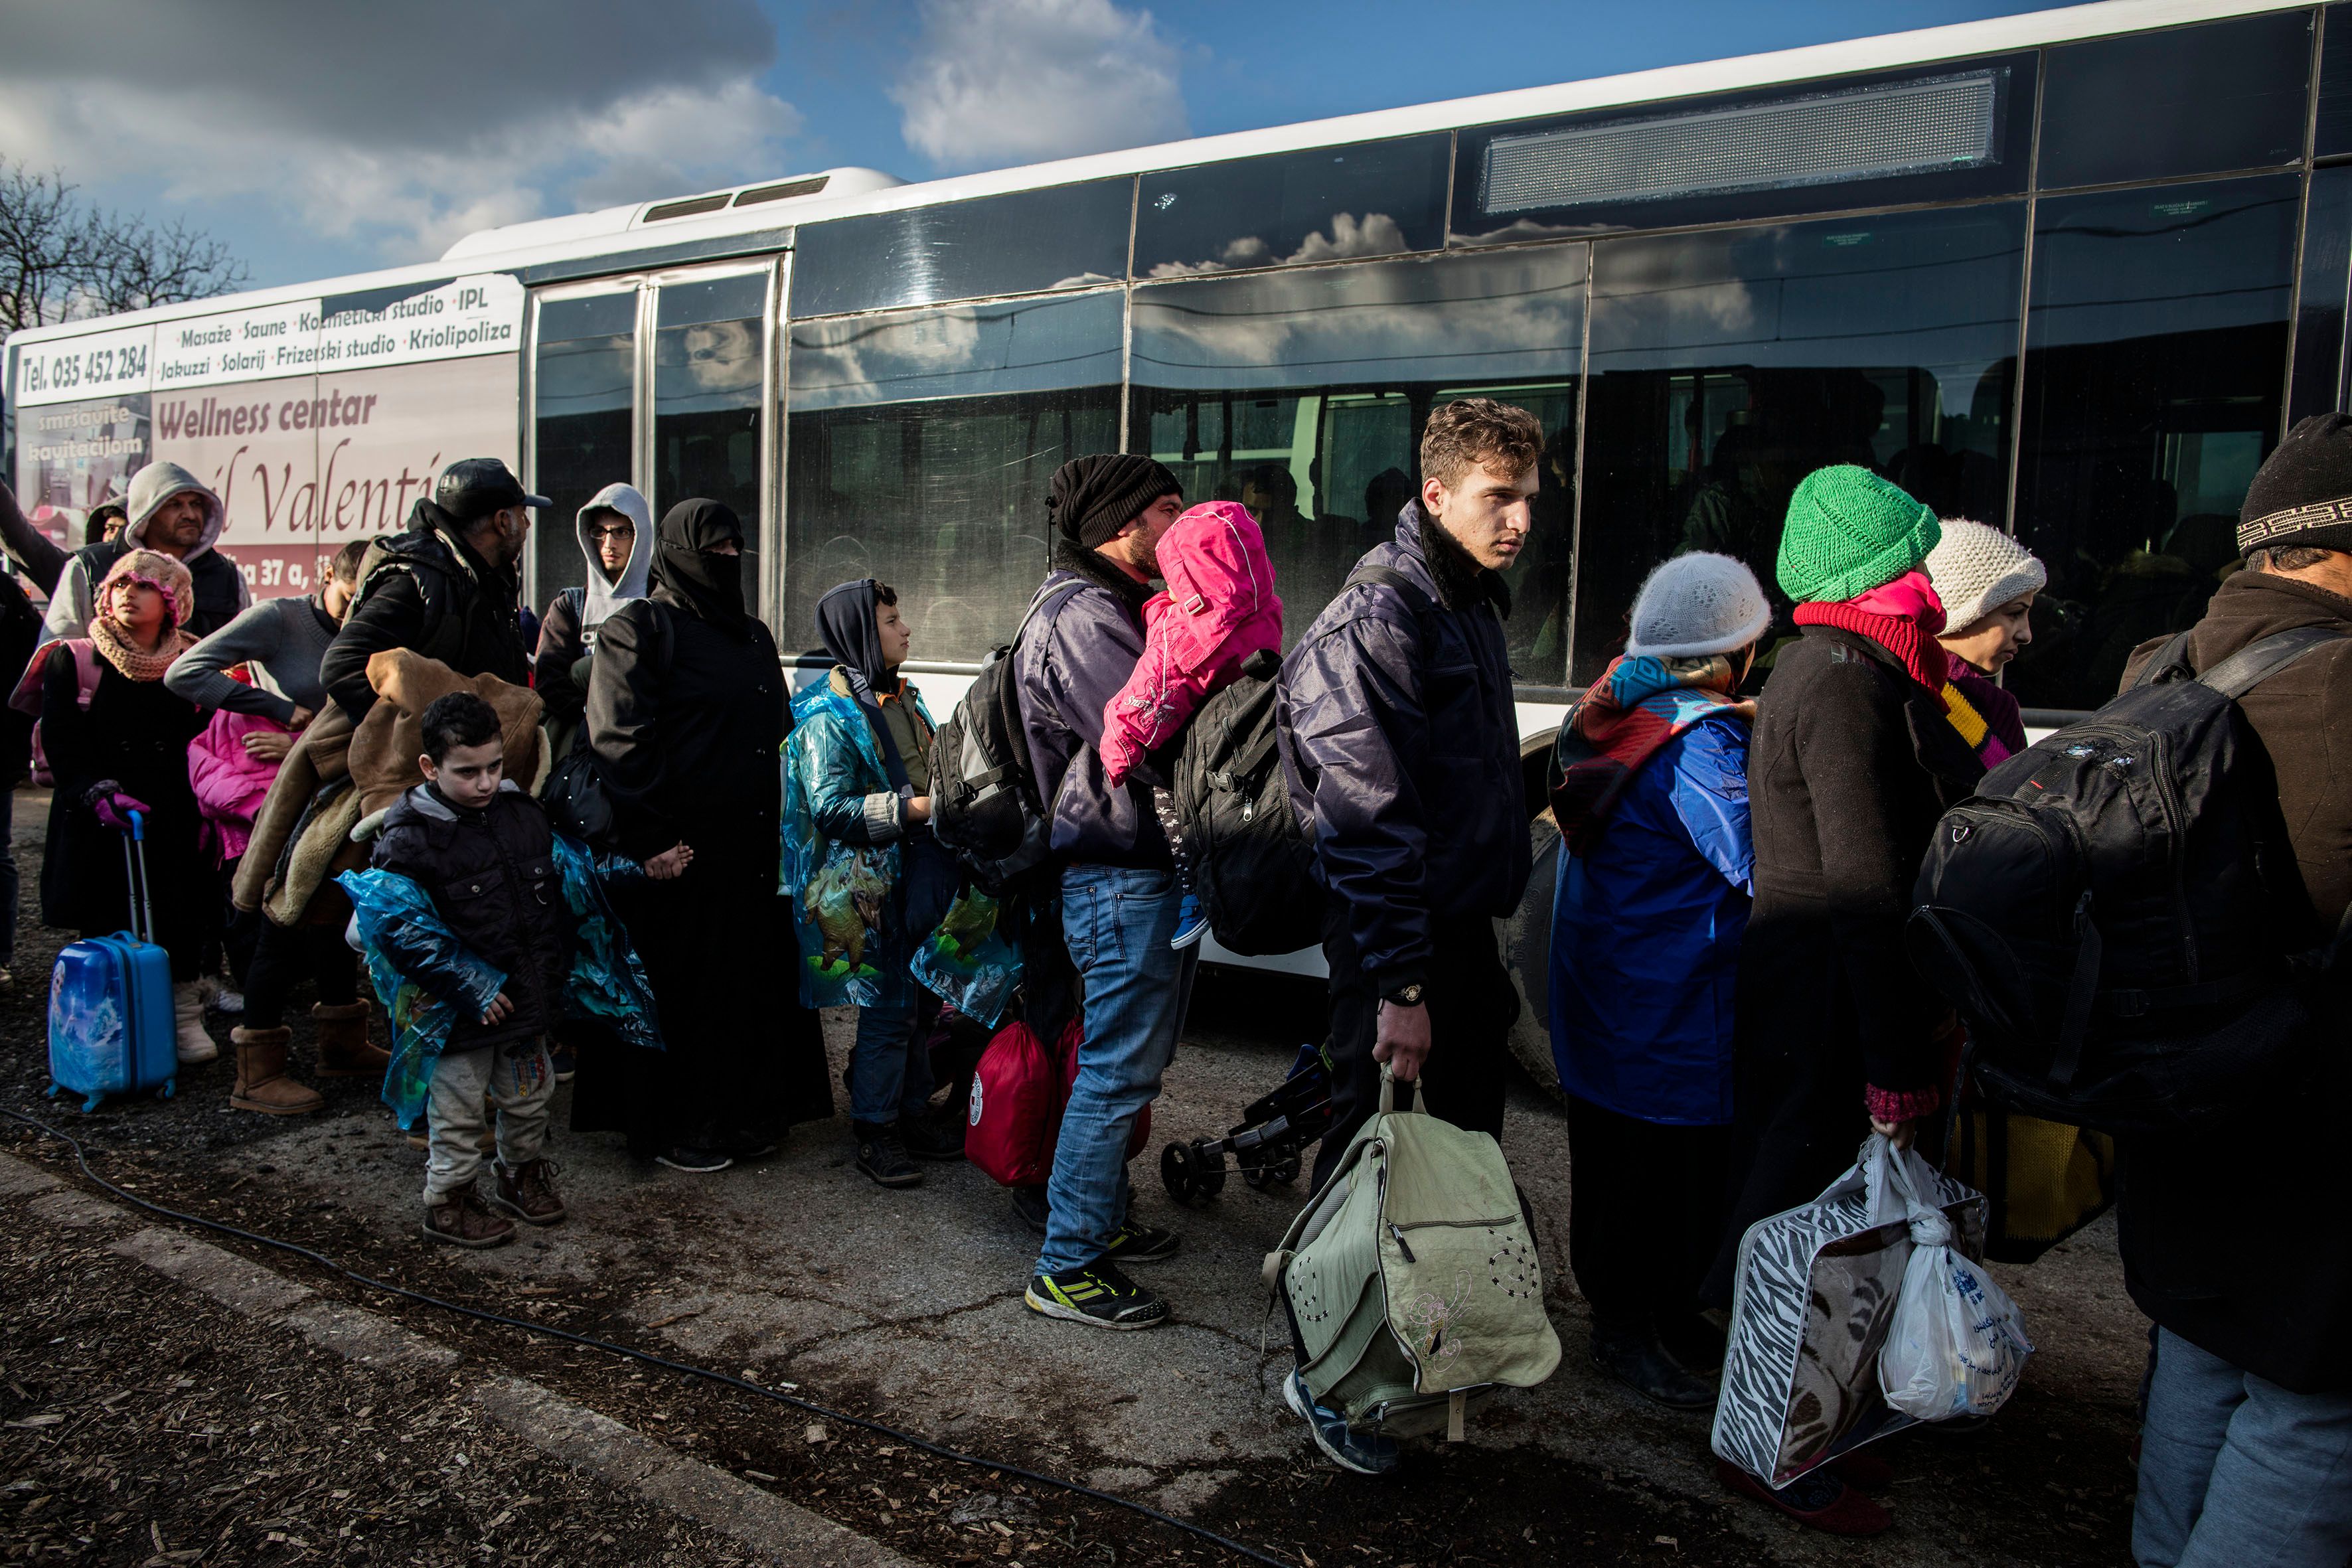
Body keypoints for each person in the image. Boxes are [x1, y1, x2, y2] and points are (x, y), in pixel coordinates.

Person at [1703, 466, 1983, 1535]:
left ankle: (1788, 1425)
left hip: (1809, 981)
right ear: (1875, 575)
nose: (1927, 580)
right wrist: (1894, 1058)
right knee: (1800, 1232)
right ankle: (1765, 1450)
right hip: (1824, 992)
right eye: (1911, 560)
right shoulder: (1840, 680)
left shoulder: (1835, 665)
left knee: (1801, 1216)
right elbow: (1864, 886)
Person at [1274, 398, 1539, 1473]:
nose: (1519, 518)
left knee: (1463, 1146)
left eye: (1527, 497)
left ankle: (1433, 1340)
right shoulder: (1382, 613)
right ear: (1433, 495)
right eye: (1497, 497)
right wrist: (1399, 983)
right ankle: (1327, 1370)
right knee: (1363, 1150)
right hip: (1397, 939)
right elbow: (1361, 814)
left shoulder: (1462, 595)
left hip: (1453, 929)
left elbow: (1448, 781)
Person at [2116, 414, 2352, 1568]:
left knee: (2200, 1350)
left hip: (2172, 1092)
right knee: (2313, 1398)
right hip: (2305, 1106)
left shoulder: (2158, 662)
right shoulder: (2343, 681)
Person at [1548, 552, 1767, 1413]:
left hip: (1608, 976)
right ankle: (1630, 1328)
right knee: (1659, 1168)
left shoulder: (1615, 701)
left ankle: (1645, 1315)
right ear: (1728, 648)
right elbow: (1753, 859)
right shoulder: (1700, 738)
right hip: (1669, 988)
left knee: (1614, 1155)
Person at [578, 499, 830, 1171]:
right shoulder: (641, 627)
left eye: (733, 548)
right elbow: (619, 738)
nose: (724, 560)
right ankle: (685, 1127)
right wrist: (652, 836)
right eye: (710, 549)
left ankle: (748, 1118)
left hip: (750, 852)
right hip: (680, 856)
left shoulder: (752, 634)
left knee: (743, 987)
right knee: (688, 988)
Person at [1012, 453, 1192, 1331]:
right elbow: (1154, 725)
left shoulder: (1108, 604)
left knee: (1124, 1063)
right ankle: (1068, 1262)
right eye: (1167, 509)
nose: (1183, 526)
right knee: (1114, 1070)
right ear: (1119, 523)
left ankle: (1102, 1219)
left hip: (1134, 871)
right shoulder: (1083, 615)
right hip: (1116, 872)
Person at [172, 538, 380, 1115]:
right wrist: (274, 709)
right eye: (348, 596)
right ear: (326, 576)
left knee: (335, 913)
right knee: (280, 919)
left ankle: (342, 1043)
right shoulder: (280, 618)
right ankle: (255, 1075)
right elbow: (185, 673)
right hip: (289, 796)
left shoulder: (378, 622)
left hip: (348, 794)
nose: (355, 610)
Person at [369, 693, 573, 1248]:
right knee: (458, 1114)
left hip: (524, 1001)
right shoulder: (409, 836)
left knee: (531, 1098)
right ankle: (448, 1200)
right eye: (467, 773)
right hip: (454, 1014)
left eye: (494, 767)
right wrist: (470, 986)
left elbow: (553, 901)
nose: (484, 783)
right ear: (430, 768)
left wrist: (552, 982)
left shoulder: (522, 815)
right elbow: (396, 927)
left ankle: (519, 1175)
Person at [785, 578, 963, 1186]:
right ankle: (875, 1129)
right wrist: (915, 810)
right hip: (871, 880)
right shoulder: (824, 715)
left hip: (925, 868)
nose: (905, 629)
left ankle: (909, 1113)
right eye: (891, 621)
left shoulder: (904, 699)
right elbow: (831, 808)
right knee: (888, 1009)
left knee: (921, 1002)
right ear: (862, 633)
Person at [36, 550, 214, 1064]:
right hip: (98, 813)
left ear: (173, 602)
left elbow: (207, 736)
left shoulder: (194, 658)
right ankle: (106, 1027)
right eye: (119, 586)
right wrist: (97, 791)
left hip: (176, 811)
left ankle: (182, 1018)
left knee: (181, 912)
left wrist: (208, 805)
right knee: (104, 914)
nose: (127, 595)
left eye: (143, 587)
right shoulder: (74, 657)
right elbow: (62, 738)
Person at [1098, 499, 1285, 950]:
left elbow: (1158, 685)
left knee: (1177, 808)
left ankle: (1193, 892)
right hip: (1248, 731)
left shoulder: (1190, 626)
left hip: (1197, 744)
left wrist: (1118, 748)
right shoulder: (1264, 603)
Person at [320, 459, 540, 723]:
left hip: (483, 758)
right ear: (502, 522)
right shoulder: (417, 579)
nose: (526, 524)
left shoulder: (490, 576)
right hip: (434, 762)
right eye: (522, 513)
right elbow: (342, 665)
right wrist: (425, 737)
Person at [44, 463, 250, 643]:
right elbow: (61, 649)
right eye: (174, 505)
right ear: (145, 512)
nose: (189, 515)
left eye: (195, 504)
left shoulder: (227, 575)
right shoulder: (90, 566)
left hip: (202, 689)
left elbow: (248, 654)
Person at [533, 483, 653, 752]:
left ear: (640, 535)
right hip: (583, 744)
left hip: (645, 742)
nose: (609, 544)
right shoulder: (571, 605)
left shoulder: (661, 603)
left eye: (621, 532)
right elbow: (550, 682)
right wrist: (594, 711)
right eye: (599, 532)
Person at [1923, 518, 2045, 765]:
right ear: (1960, 612)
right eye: (2014, 613)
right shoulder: (1910, 696)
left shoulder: (1897, 684)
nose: (2026, 635)